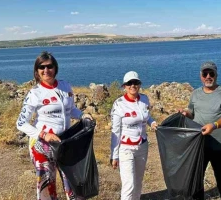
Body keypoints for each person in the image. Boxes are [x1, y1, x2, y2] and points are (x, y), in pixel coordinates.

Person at [16, 51, 93, 200]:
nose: (46, 70)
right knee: (47, 189)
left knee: (73, 185)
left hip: (65, 144)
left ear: (55, 68)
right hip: (42, 146)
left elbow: (71, 110)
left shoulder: (65, 86)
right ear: (37, 71)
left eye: (49, 66)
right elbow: (20, 123)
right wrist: (44, 134)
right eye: (41, 67)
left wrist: (82, 115)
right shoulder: (35, 93)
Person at [182, 61, 221, 200]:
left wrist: (214, 125)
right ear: (201, 76)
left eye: (211, 73)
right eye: (205, 74)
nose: (208, 76)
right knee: (197, 183)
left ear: (216, 75)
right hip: (198, 146)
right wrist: (186, 113)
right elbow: (192, 112)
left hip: (219, 146)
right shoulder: (195, 94)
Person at [110, 71, 158, 200]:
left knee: (138, 182)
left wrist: (152, 122)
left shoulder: (144, 99)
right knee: (129, 185)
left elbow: (146, 117)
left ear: (139, 84)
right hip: (126, 149)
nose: (133, 85)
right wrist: (114, 156)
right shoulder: (118, 104)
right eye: (129, 83)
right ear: (124, 86)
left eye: (135, 82)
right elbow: (115, 132)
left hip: (142, 146)